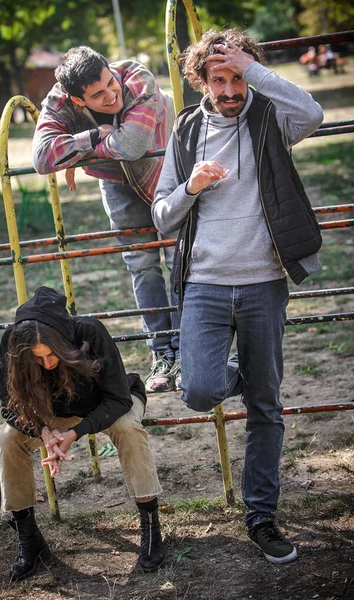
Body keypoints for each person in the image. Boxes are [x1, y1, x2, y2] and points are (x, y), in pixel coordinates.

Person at [152, 28, 324, 564]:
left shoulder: (270, 116)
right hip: (203, 285)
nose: (230, 90)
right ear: (201, 80)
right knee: (200, 389)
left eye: (237, 78)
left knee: (265, 409)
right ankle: (247, 375)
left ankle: (261, 517)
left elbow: (313, 114)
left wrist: (254, 69)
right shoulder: (184, 132)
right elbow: (161, 215)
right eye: (218, 79)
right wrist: (191, 187)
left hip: (264, 283)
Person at [32, 47, 180, 393]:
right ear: (76, 100)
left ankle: (188, 354)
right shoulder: (59, 101)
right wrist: (94, 135)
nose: (111, 94)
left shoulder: (137, 78)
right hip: (115, 182)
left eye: (110, 83)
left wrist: (75, 153)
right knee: (142, 266)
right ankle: (163, 354)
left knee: (178, 260)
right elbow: (41, 158)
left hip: (166, 173)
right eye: (98, 94)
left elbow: (133, 144)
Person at [0, 286, 165, 581]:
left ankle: (151, 525)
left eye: (52, 354)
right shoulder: (12, 344)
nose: (48, 363)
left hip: (111, 403)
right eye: (37, 359)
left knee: (128, 427)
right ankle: (29, 538)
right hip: (54, 418)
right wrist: (43, 432)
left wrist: (75, 433)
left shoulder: (90, 332)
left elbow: (119, 399)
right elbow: (9, 406)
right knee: (9, 437)